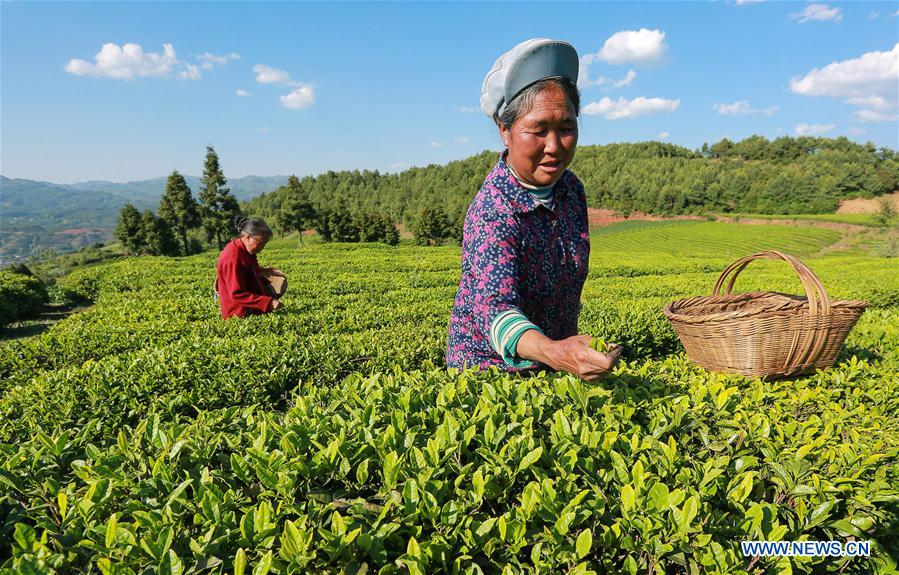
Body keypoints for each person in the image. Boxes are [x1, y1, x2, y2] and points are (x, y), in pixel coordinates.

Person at [446, 38, 622, 381]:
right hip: (490, 372)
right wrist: (556, 352)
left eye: (567, 128)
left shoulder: (570, 190)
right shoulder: (493, 209)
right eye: (538, 130)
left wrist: (562, 353)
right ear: (505, 130)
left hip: (552, 362)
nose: (554, 147)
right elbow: (496, 312)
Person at [216, 216, 284, 319]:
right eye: (260, 243)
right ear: (248, 237)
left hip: (253, 312)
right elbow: (237, 294)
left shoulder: (247, 251)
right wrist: (268, 303)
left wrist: (267, 287)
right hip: (240, 316)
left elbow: (251, 276)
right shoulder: (232, 257)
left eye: (264, 244)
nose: (262, 248)